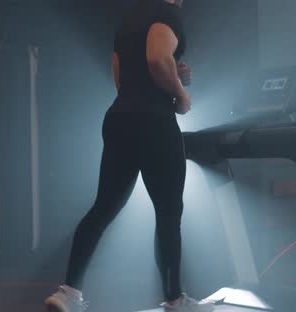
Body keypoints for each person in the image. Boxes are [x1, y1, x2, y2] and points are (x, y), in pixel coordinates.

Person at [44, 0, 213, 311]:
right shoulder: (169, 14)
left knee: (103, 208)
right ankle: (176, 301)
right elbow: (157, 60)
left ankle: (68, 293)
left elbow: (122, 76)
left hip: (120, 118)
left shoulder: (129, 20)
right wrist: (181, 95)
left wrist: (173, 74)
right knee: (167, 213)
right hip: (155, 123)